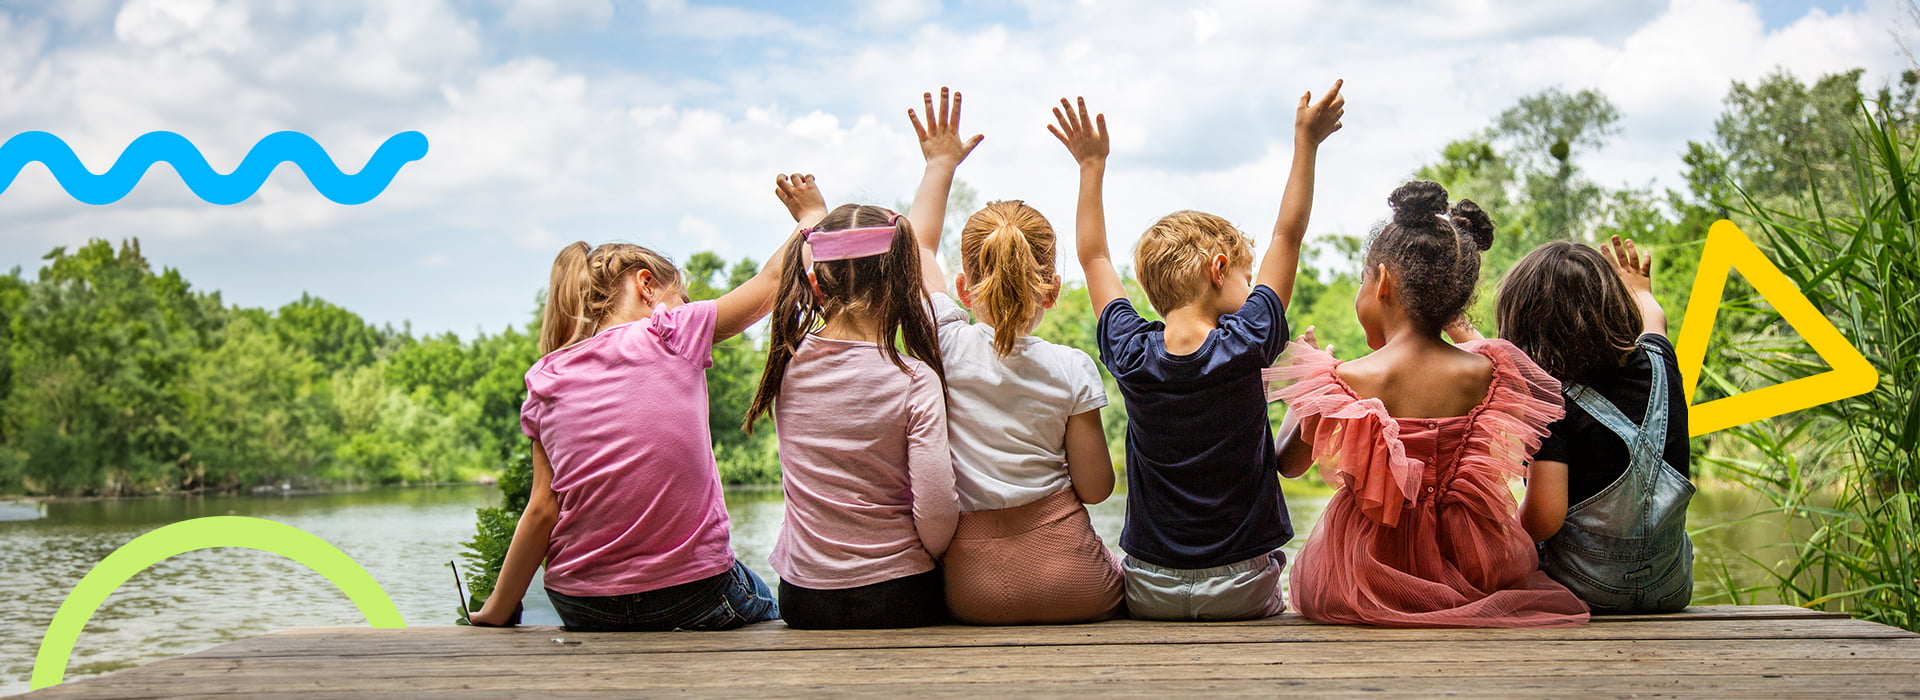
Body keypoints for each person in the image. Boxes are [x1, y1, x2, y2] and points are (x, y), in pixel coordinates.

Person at [468, 174, 825, 630]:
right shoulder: (668, 331)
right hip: (690, 593)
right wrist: (812, 216)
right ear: (646, 286)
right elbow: (774, 281)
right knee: (770, 607)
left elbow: (541, 509)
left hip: (582, 602)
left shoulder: (546, 376)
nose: (687, 309)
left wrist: (499, 608)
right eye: (681, 298)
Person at [1064, 82, 1344, 621]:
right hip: (1242, 584)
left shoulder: (1129, 350)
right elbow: (1289, 235)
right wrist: (1306, 144)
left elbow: (1094, 256)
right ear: (1219, 269)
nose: (1250, 285)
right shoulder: (1249, 339)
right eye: (1243, 274)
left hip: (1149, 587)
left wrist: (1090, 165)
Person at [1270, 180, 1589, 628]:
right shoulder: (1492, 373)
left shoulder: (1348, 378)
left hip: (1368, 573)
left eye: (1362, 280)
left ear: (1381, 282)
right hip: (1473, 565)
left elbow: (1289, 463)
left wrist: (1308, 386)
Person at [895, 88, 1124, 624]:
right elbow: (1096, 489)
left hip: (975, 593)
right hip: (1077, 585)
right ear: (1051, 290)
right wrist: (1092, 166)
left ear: (962, 286)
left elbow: (916, 247)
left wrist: (939, 163)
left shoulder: (943, 344)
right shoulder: (1073, 368)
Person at [744, 199, 957, 630]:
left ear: (816, 282)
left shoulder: (786, 366)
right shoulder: (914, 378)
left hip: (803, 600)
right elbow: (936, 512)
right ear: (902, 283)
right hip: (901, 593)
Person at [1455, 235, 1694, 613]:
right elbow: (1654, 319)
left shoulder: (1548, 402)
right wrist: (1640, 288)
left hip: (1583, 589)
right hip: (1671, 587)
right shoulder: (1660, 363)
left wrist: (1500, 540)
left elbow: (1543, 520)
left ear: (1523, 326)